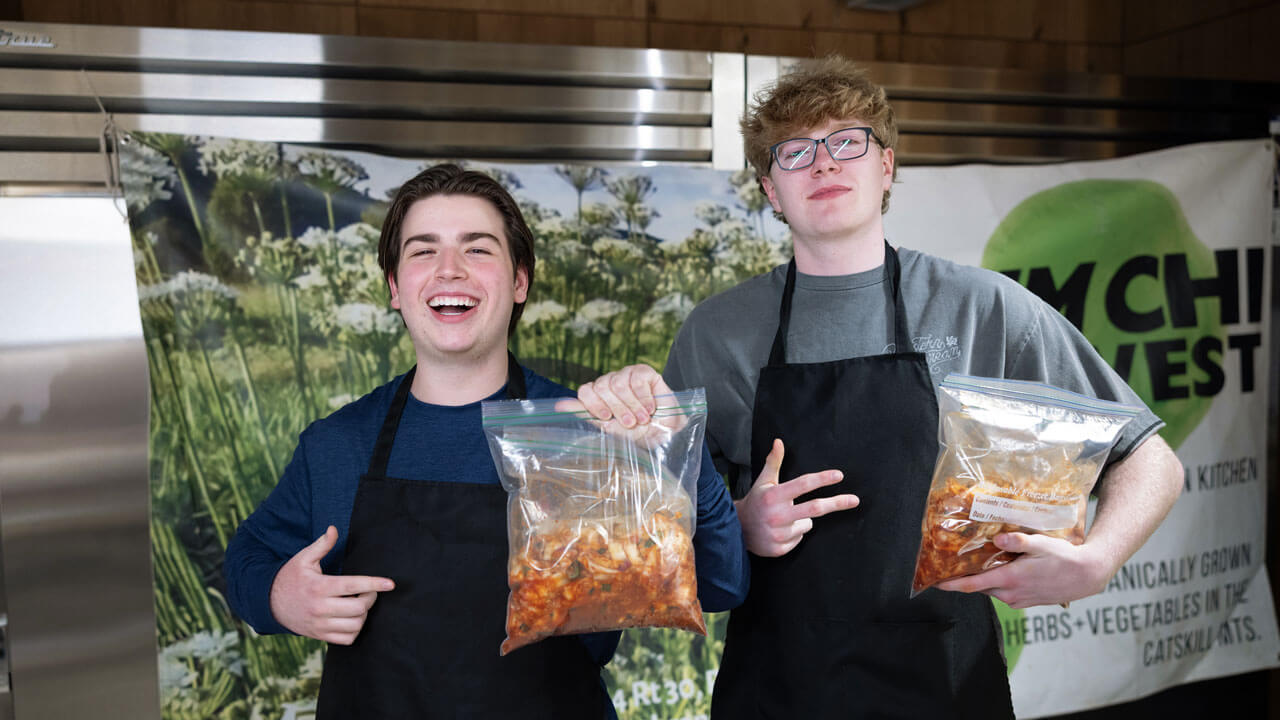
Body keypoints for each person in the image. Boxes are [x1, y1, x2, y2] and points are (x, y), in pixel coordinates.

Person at [577, 56, 1184, 718]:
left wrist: (1098, 558)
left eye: (847, 142)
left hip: (947, 687)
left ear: (886, 167)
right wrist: (740, 523)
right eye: (795, 151)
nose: (824, 164)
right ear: (771, 190)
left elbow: (1149, 459)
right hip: (779, 691)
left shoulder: (982, 309)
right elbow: (660, 530)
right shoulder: (717, 332)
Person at [223, 163, 749, 719]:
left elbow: (721, 583)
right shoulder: (337, 445)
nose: (450, 270)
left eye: (478, 250)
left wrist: (675, 449)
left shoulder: (587, 431)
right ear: (395, 289)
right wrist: (278, 597)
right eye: (423, 251)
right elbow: (246, 559)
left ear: (519, 281)